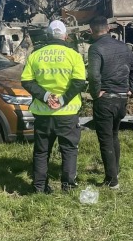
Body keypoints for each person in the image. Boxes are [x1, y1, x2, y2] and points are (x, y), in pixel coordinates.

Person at [21, 20, 86, 194]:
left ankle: (39, 187)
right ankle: (68, 187)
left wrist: (46, 97)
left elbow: (26, 81)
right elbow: (79, 82)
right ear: (65, 36)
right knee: (69, 150)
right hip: (67, 112)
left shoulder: (36, 55)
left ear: (48, 36)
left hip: (43, 113)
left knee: (42, 152)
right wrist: (62, 100)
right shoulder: (73, 55)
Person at [88, 16, 133, 190]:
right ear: (108, 28)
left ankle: (112, 181)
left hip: (105, 100)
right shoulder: (123, 47)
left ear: (91, 31)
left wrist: (95, 93)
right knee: (114, 135)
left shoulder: (95, 48)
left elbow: (94, 75)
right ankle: (115, 171)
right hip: (121, 99)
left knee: (105, 140)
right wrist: (131, 89)